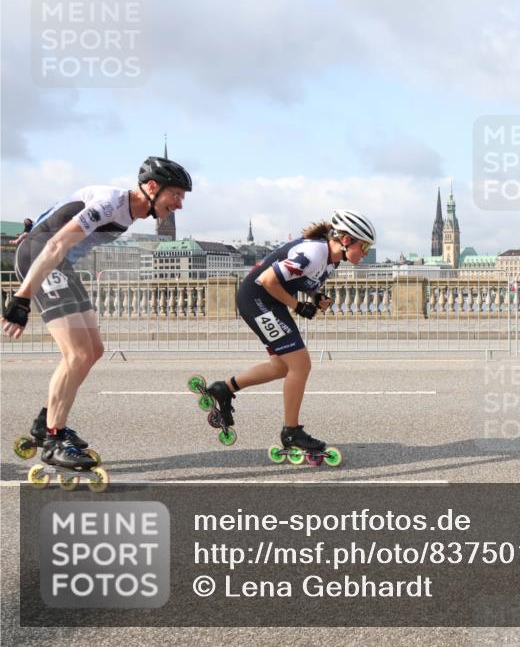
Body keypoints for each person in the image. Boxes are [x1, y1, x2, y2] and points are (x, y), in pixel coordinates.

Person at [2, 157, 192, 477]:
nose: (180, 204)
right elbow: (58, 242)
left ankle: (44, 423)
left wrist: (33, 227)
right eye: (176, 195)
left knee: (94, 350)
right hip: (45, 258)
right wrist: (21, 298)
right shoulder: (109, 204)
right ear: (151, 187)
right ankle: (53, 439)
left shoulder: (131, 211)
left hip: (59, 264)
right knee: (77, 353)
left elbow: (61, 211)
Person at [193, 210, 375, 465]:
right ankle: (291, 432)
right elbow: (268, 279)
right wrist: (297, 306)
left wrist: (315, 297)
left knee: (282, 366)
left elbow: (303, 280)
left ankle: (224, 388)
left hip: (268, 302)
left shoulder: (332, 259)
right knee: (300, 365)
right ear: (345, 240)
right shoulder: (314, 252)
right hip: (257, 299)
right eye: (364, 245)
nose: (366, 252)